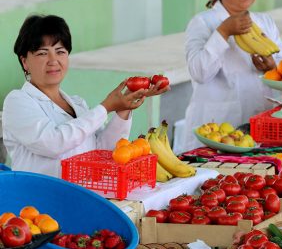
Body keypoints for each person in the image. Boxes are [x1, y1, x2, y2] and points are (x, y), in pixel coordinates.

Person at [2, 15, 169, 178]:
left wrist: (123, 107)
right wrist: (106, 107)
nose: (53, 60)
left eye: (60, 51)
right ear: (25, 62)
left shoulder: (77, 103)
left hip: (83, 195)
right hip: (39, 200)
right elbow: (54, 143)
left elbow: (103, 150)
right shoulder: (17, 101)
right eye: (42, 53)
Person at [181, 0, 282, 152]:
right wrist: (223, 32)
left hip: (259, 128)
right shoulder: (203, 23)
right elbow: (199, 72)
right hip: (216, 131)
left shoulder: (264, 22)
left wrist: (272, 66)